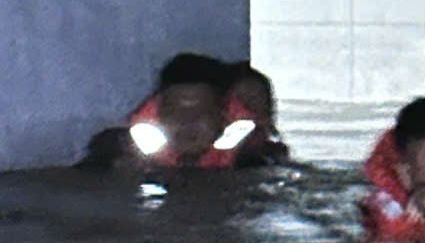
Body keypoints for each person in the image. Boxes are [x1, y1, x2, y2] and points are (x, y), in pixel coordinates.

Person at [77, 53, 288, 170]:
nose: (187, 122)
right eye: (174, 112)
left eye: (201, 113)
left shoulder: (253, 165)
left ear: (224, 118)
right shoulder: (115, 154)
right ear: (156, 115)